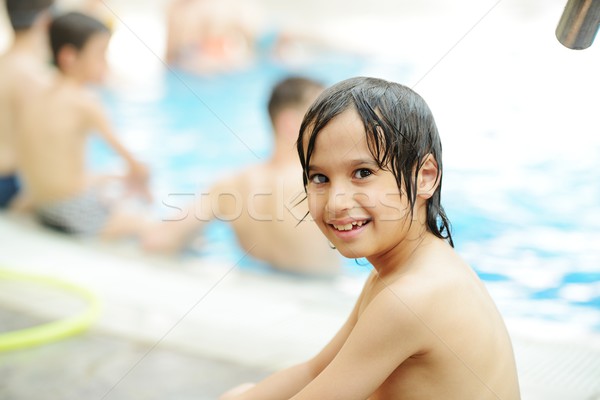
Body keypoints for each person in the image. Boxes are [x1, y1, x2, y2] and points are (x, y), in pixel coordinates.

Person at [220, 77, 521, 399]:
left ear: (425, 176)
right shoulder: (403, 273)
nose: (337, 201)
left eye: (362, 173)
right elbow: (315, 370)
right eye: (319, 177)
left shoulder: (411, 297)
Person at [143, 76, 341, 275]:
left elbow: (159, 241)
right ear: (290, 123)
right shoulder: (321, 181)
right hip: (319, 296)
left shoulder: (230, 184)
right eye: (323, 116)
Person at [16, 11, 152, 238]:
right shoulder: (84, 102)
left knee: (108, 182)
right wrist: (144, 185)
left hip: (43, 208)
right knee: (145, 225)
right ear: (69, 58)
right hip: (72, 214)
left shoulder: (39, 93)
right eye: (100, 55)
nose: (106, 63)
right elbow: (135, 165)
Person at [0, 0, 55, 210]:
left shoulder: (4, 61)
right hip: (8, 184)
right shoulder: (33, 75)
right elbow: (42, 146)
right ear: (45, 20)